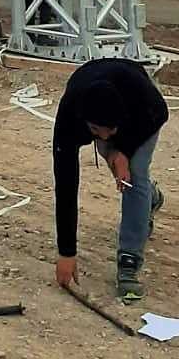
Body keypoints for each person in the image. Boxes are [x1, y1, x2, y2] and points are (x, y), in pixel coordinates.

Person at [52, 58, 168, 302]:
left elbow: (160, 113)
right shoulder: (68, 121)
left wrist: (123, 150)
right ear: (85, 123)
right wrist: (66, 252)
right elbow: (66, 185)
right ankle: (148, 199)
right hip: (96, 100)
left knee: (134, 175)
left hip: (141, 115)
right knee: (117, 164)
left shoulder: (140, 99)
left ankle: (129, 261)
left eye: (110, 132)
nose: (103, 137)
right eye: (96, 132)